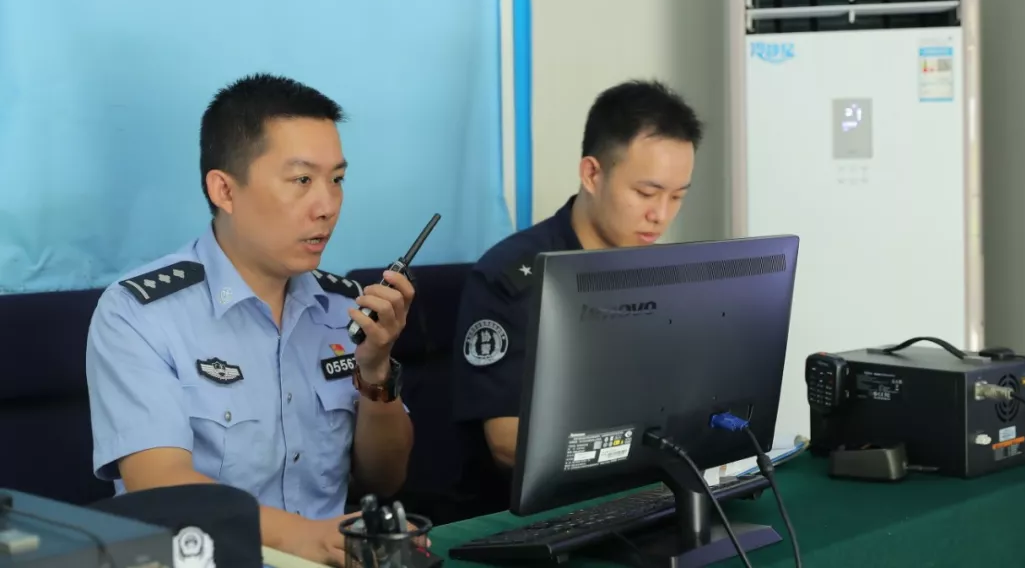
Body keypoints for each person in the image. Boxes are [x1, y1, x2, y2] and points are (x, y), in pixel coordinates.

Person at [86, 74, 415, 568]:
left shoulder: (343, 307)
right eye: (302, 180)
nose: (327, 206)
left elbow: (385, 480)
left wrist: (375, 370)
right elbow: (159, 484)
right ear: (224, 189)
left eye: (337, 180)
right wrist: (304, 538)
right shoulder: (139, 313)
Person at [451, 79, 703, 503]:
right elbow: (507, 443)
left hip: (643, 494)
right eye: (646, 193)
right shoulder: (511, 279)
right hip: (536, 513)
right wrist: (642, 452)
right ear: (591, 174)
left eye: (677, 197)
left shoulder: (662, 272)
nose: (661, 215)